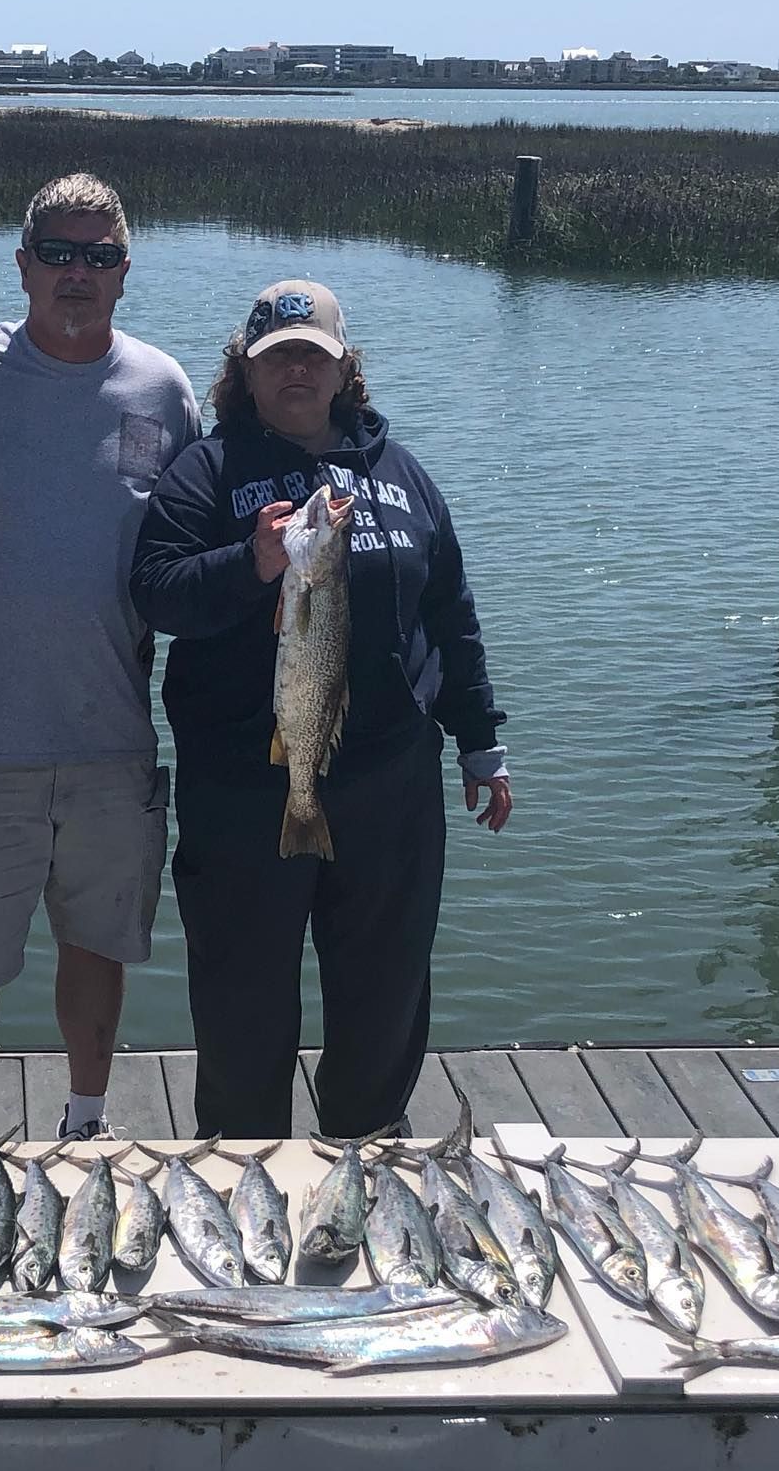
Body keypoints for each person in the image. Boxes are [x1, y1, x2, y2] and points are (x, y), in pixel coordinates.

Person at [129, 280, 511, 1141]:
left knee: (384, 989)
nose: (295, 371)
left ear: (344, 370)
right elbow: (155, 594)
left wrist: (480, 742)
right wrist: (252, 561)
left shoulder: (401, 473)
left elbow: (449, 613)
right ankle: (243, 1164)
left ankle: (369, 1153)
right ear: (247, 373)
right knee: (242, 997)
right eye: (276, 358)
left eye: (313, 356)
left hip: (389, 783)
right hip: (245, 789)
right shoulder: (204, 473)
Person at [0, 174, 201, 1143]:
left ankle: (84, 1120)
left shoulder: (163, 387)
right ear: (23, 264)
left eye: (100, 256)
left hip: (113, 735)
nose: (80, 273)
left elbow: (194, 543)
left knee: (97, 944)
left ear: (125, 273)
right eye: (61, 254)